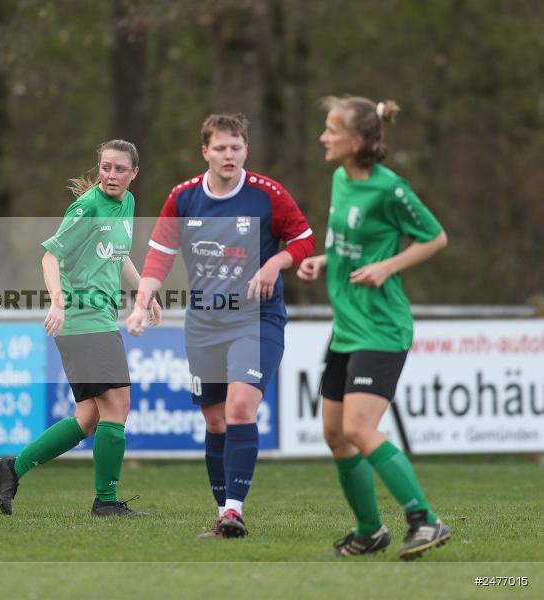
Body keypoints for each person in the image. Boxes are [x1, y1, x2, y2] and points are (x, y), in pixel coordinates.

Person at [126, 114, 315, 538]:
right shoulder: (184, 197)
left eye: (236, 147)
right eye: (221, 148)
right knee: (214, 422)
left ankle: (234, 511)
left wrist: (276, 261)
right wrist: (142, 304)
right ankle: (222, 514)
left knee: (241, 407)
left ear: (246, 149)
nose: (229, 155)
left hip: (256, 319)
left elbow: (305, 240)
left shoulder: (268, 195)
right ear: (205, 152)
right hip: (204, 324)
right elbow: (159, 256)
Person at [297, 96, 450, 559]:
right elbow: (351, 243)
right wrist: (326, 260)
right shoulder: (340, 179)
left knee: (361, 429)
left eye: (331, 130)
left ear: (357, 140)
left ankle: (425, 520)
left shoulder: (390, 189)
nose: (323, 137)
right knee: (334, 434)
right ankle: (370, 532)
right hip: (347, 326)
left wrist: (386, 268)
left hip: (382, 327)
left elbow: (435, 237)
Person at [0, 140, 159, 517]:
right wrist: (58, 301)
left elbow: (119, 254)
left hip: (95, 320)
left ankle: (11, 469)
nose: (111, 175)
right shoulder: (87, 207)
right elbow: (51, 256)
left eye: (119, 169)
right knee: (118, 406)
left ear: (134, 173)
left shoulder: (126, 204)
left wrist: (144, 292)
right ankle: (107, 502)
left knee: (89, 418)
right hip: (83, 320)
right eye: (105, 167)